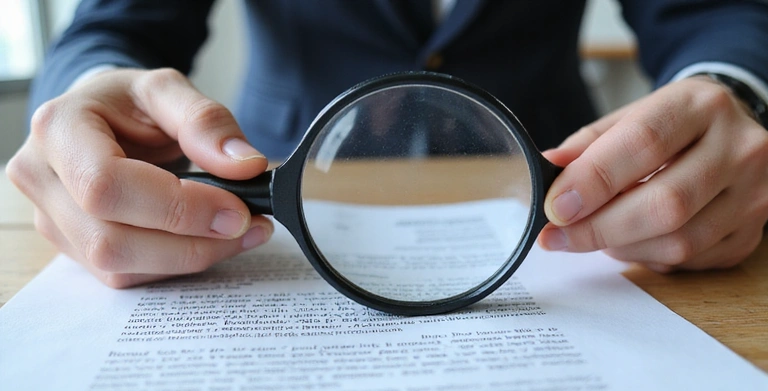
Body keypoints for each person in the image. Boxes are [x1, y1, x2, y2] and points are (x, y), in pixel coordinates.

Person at [7, 0, 768, 289]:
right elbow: (112, 25)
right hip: (272, 197)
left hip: (566, 196)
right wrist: (83, 98)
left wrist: (734, 88)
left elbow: (712, 12)